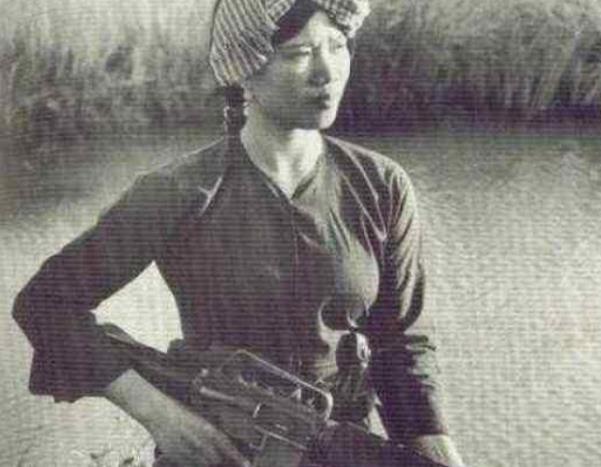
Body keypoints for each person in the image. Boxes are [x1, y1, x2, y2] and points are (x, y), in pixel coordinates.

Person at [12, 0, 466, 465]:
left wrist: (442, 454)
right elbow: (46, 303)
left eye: (337, 46)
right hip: (222, 453)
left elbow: (402, 347)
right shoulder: (180, 191)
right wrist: (161, 416)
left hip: (343, 450)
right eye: (299, 53)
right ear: (244, 70)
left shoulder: (381, 185)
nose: (326, 71)